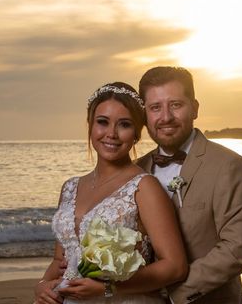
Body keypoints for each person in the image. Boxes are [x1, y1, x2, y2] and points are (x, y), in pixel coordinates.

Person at [35, 82, 188, 304]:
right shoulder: (69, 188)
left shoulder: (144, 187)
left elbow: (175, 267)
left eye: (124, 125)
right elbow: (61, 260)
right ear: (90, 125)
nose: (111, 134)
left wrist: (107, 288)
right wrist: (41, 286)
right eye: (102, 122)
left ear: (136, 133)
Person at [136, 67, 242, 304]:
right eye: (155, 107)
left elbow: (236, 250)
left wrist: (173, 294)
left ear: (195, 108)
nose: (166, 117)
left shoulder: (228, 165)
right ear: (145, 115)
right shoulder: (135, 169)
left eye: (176, 105)